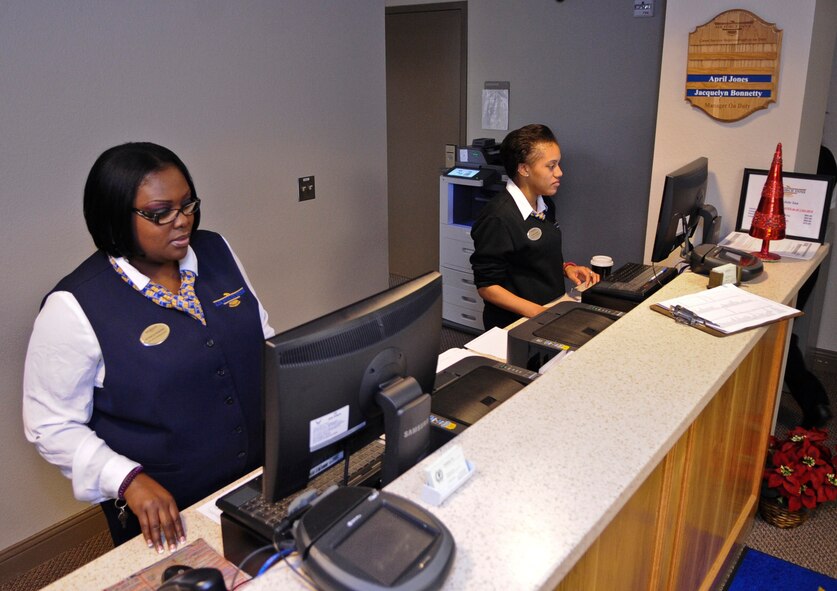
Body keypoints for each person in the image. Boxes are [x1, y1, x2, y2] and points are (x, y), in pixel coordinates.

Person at [23, 142, 274, 553]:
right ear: (114, 218)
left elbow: (260, 338)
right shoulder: (73, 306)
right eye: (160, 213)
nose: (182, 222)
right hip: (170, 508)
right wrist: (128, 480)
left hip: (256, 475)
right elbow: (50, 426)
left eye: (188, 204)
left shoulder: (216, 251)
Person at [470, 124, 599, 329]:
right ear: (524, 169)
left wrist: (567, 269)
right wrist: (541, 314)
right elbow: (487, 286)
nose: (560, 173)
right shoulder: (498, 217)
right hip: (516, 324)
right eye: (551, 166)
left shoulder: (544, 204)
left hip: (549, 311)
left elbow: (531, 256)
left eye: (559, 164)